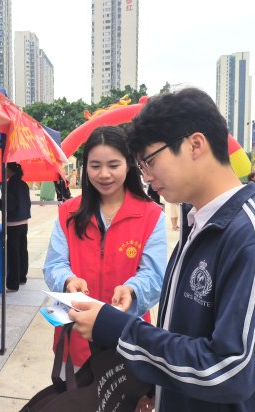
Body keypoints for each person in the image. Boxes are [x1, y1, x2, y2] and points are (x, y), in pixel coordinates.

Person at [69, 88, 255, 412]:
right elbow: (182, 332)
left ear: (195, 145)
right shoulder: (198, 224)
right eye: (141, 166)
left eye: (150, 161)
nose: (146, 176)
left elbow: (231, 370)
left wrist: (118, 329)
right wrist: (157, 388)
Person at [44, 125, 166, 369]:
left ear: (128, 164)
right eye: (95, 165)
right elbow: (54, 264)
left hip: (126, 336)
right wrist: (68, 280)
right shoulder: (68, 212)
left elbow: (155, 274)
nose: (104, 174)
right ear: (85, 167)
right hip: (75, 336)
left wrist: (132, 290)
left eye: (113, 165)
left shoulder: (151, 215)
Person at [0, 162, 31, 291]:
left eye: (6, 170)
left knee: (13, 253)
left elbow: (9, 206)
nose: (5, 172)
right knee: (23, 250)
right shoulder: (23, 184)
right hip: (24, 222)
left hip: (13, 223)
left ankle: (13, 283)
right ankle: (22, 277)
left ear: (11, 171)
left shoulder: (9, 185)